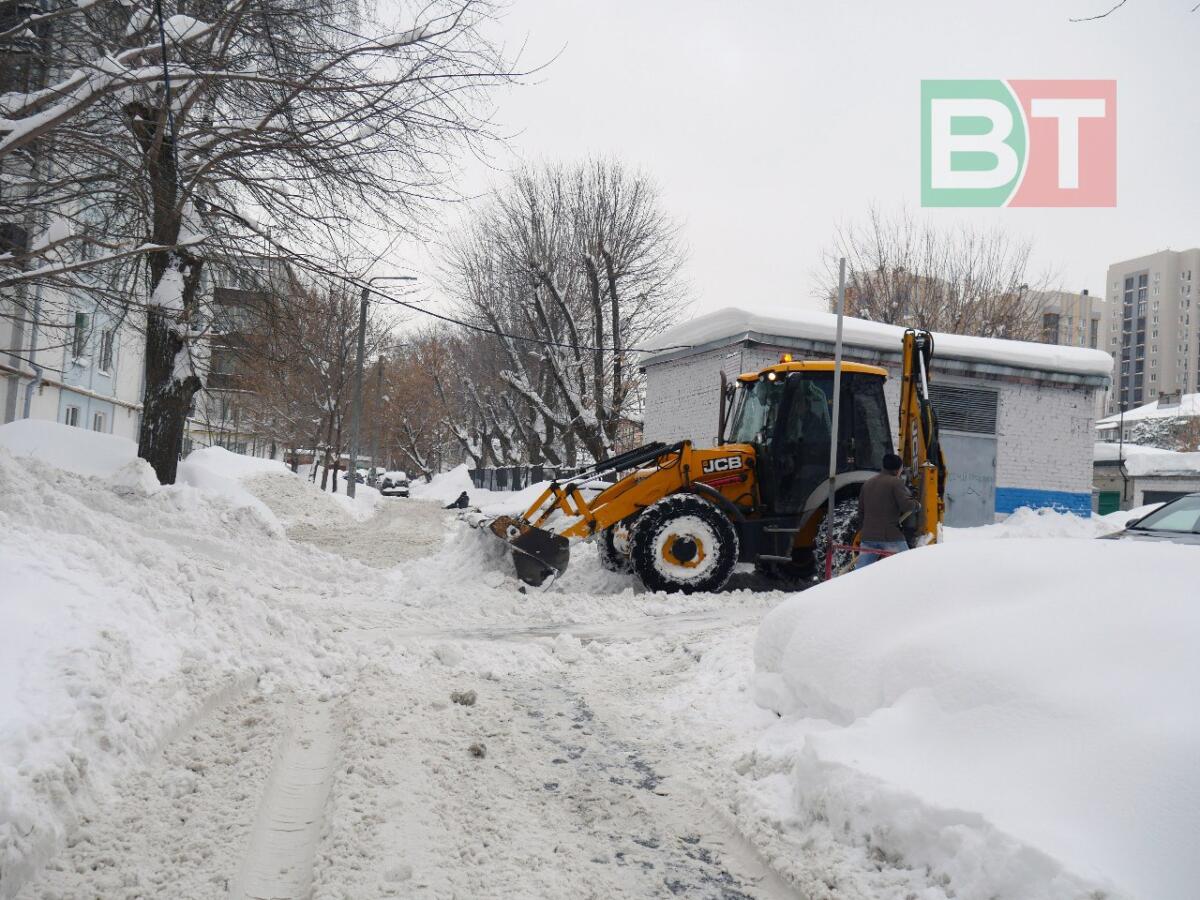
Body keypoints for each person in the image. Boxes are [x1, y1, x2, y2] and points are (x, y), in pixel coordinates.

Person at [855, 453, 917, 569]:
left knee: (860, 571)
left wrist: (865, 531)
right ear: (898, 469)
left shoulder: (867, 484)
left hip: (868, 538)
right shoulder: (896, 482)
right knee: (908, 566)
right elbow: (906, 506)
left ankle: (852, 586)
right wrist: (916, 504)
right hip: (890, 537)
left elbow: (861, 512)